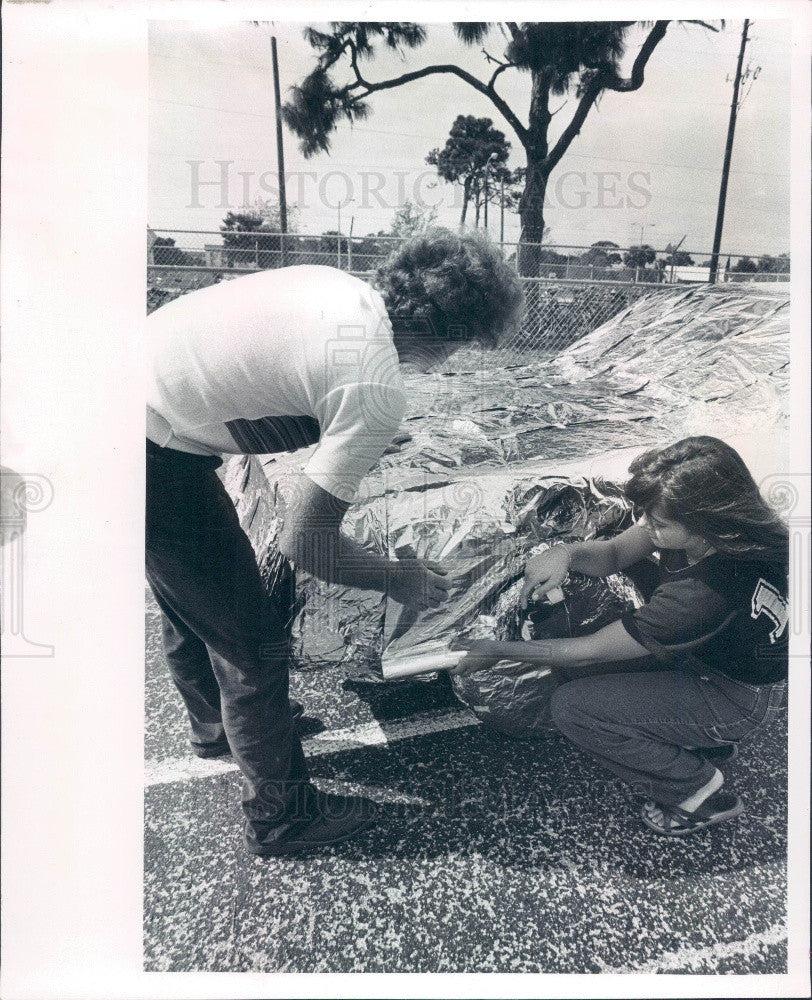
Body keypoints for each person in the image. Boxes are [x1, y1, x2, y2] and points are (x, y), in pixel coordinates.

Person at [146, 228, 524, 857]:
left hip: (125, 408)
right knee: (251, 642)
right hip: (150, 452)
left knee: (192, 598)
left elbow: (274, 377)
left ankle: (215, 727)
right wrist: (398, 578)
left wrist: (350, 438)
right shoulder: (374, 386)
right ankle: (282, 818)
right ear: (453, 336)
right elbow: (305, 544)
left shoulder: (338, 287)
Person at [451, 436, 788, 837]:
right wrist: (566, 554)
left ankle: (695, 791)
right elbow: (613, 553)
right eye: (645, 513)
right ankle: (696, 739)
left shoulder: (705, 592)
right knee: (604, 662)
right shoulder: (719, 531)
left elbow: (587, 653)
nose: (645, 525)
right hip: (716, 662)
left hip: (733, 697)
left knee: (576, 708)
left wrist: (495, 651)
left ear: (703, 521)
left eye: (658, 523)